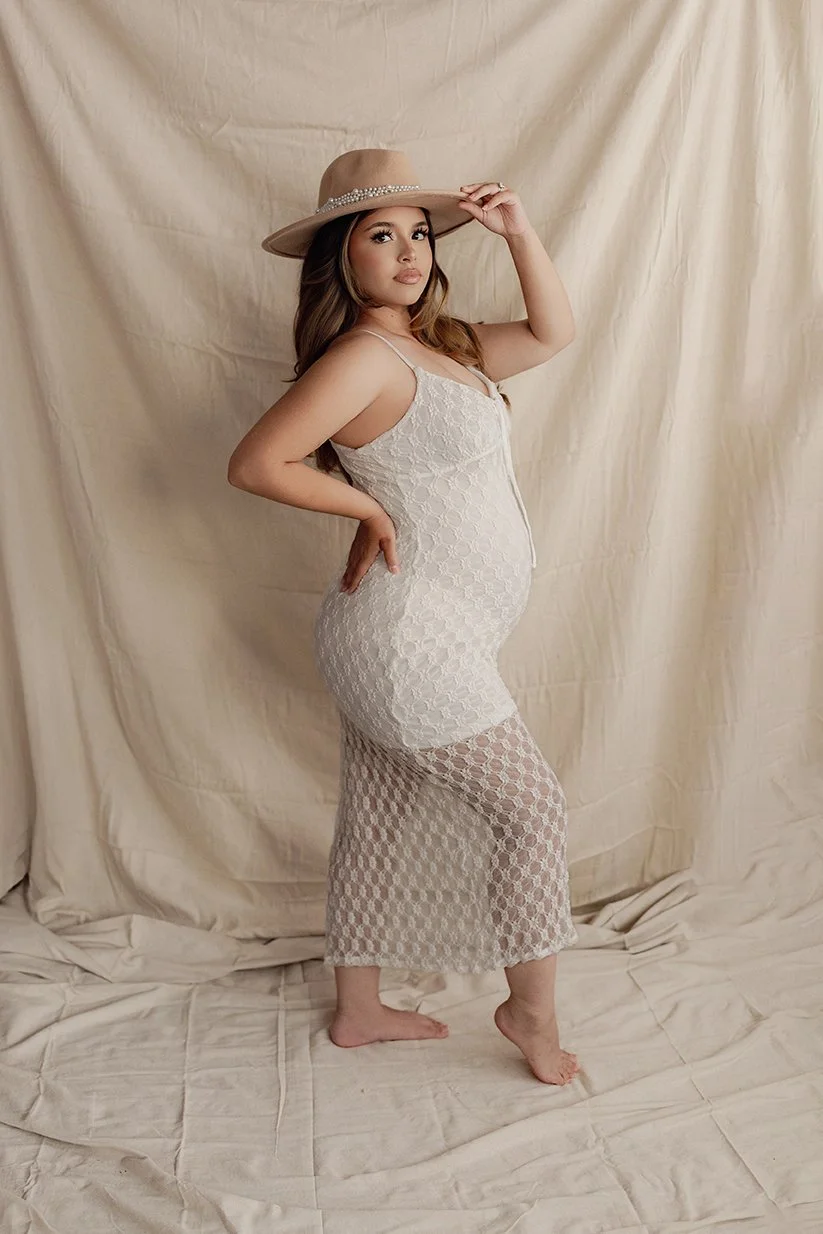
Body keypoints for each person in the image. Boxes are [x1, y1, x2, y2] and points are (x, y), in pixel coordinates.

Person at [228, 149, 579, 1085]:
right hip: (407, 644)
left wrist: (518, 232)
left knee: (377, 818)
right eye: (381, 236)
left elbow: (552, 332)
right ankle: (528, 1013)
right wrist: (368, 508)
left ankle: (358, 1010)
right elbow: (257, 463)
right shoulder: (362, 358)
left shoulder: (444, 348)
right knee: (533, 812)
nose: (409, 252)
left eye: (418, 234)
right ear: (342, 257)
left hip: (425, 636)